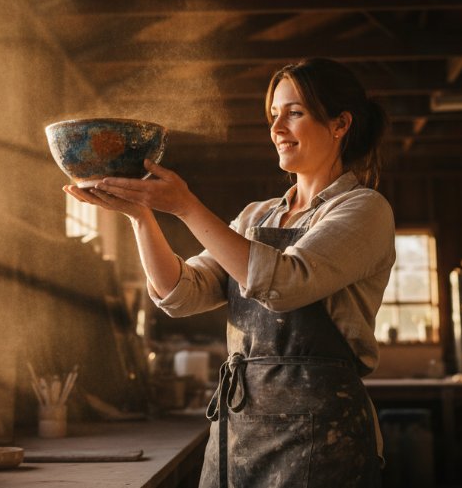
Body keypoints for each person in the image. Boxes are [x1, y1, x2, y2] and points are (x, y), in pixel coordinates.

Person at [64, 57, 396, 488]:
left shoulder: (364, 209)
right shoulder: (255, 217)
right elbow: (182, 293)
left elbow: (284, 283)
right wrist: (141, 218)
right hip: (239, 427)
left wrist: (185, 206)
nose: (276, 129)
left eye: (294, 113)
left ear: (340, 124)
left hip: (321, 435)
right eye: (274, 115)